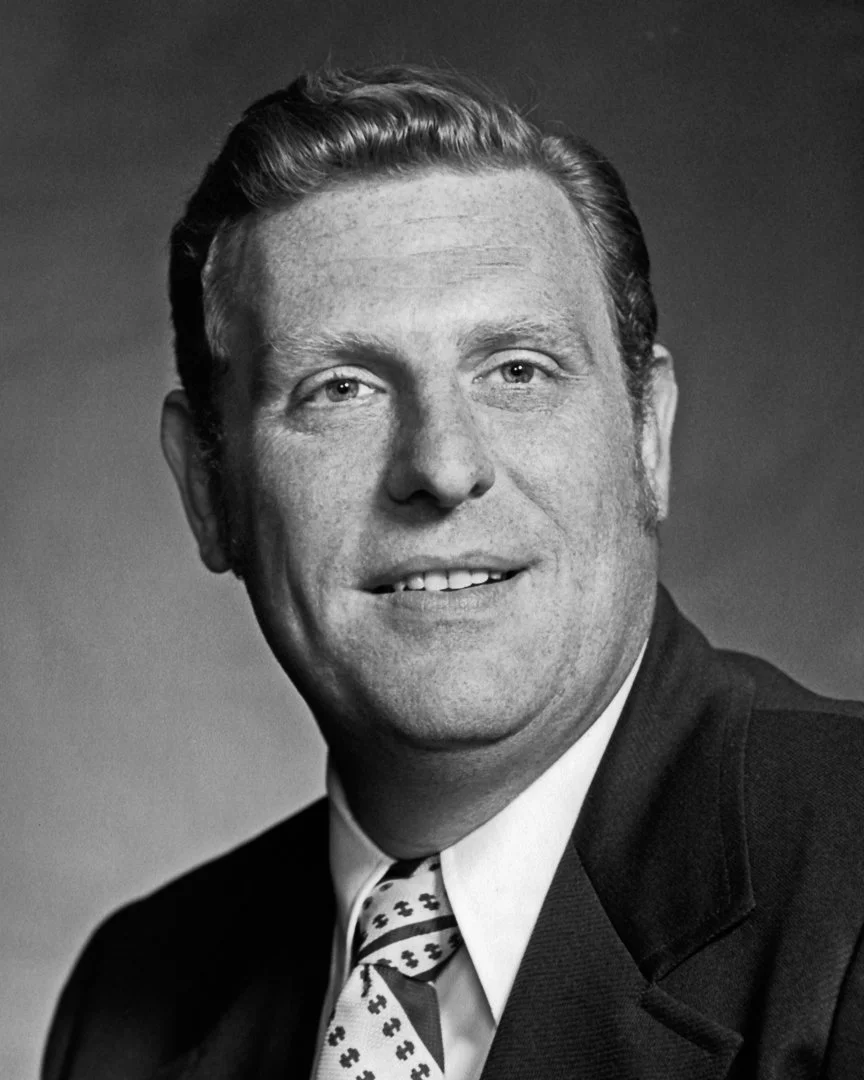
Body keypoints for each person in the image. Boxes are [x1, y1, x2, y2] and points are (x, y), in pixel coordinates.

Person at [42, 64, 864, 1080]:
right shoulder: (131, 1007)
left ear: (646, 436)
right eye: (339, 388)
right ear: (209, 488)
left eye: (517, 370)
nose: (440, 465)